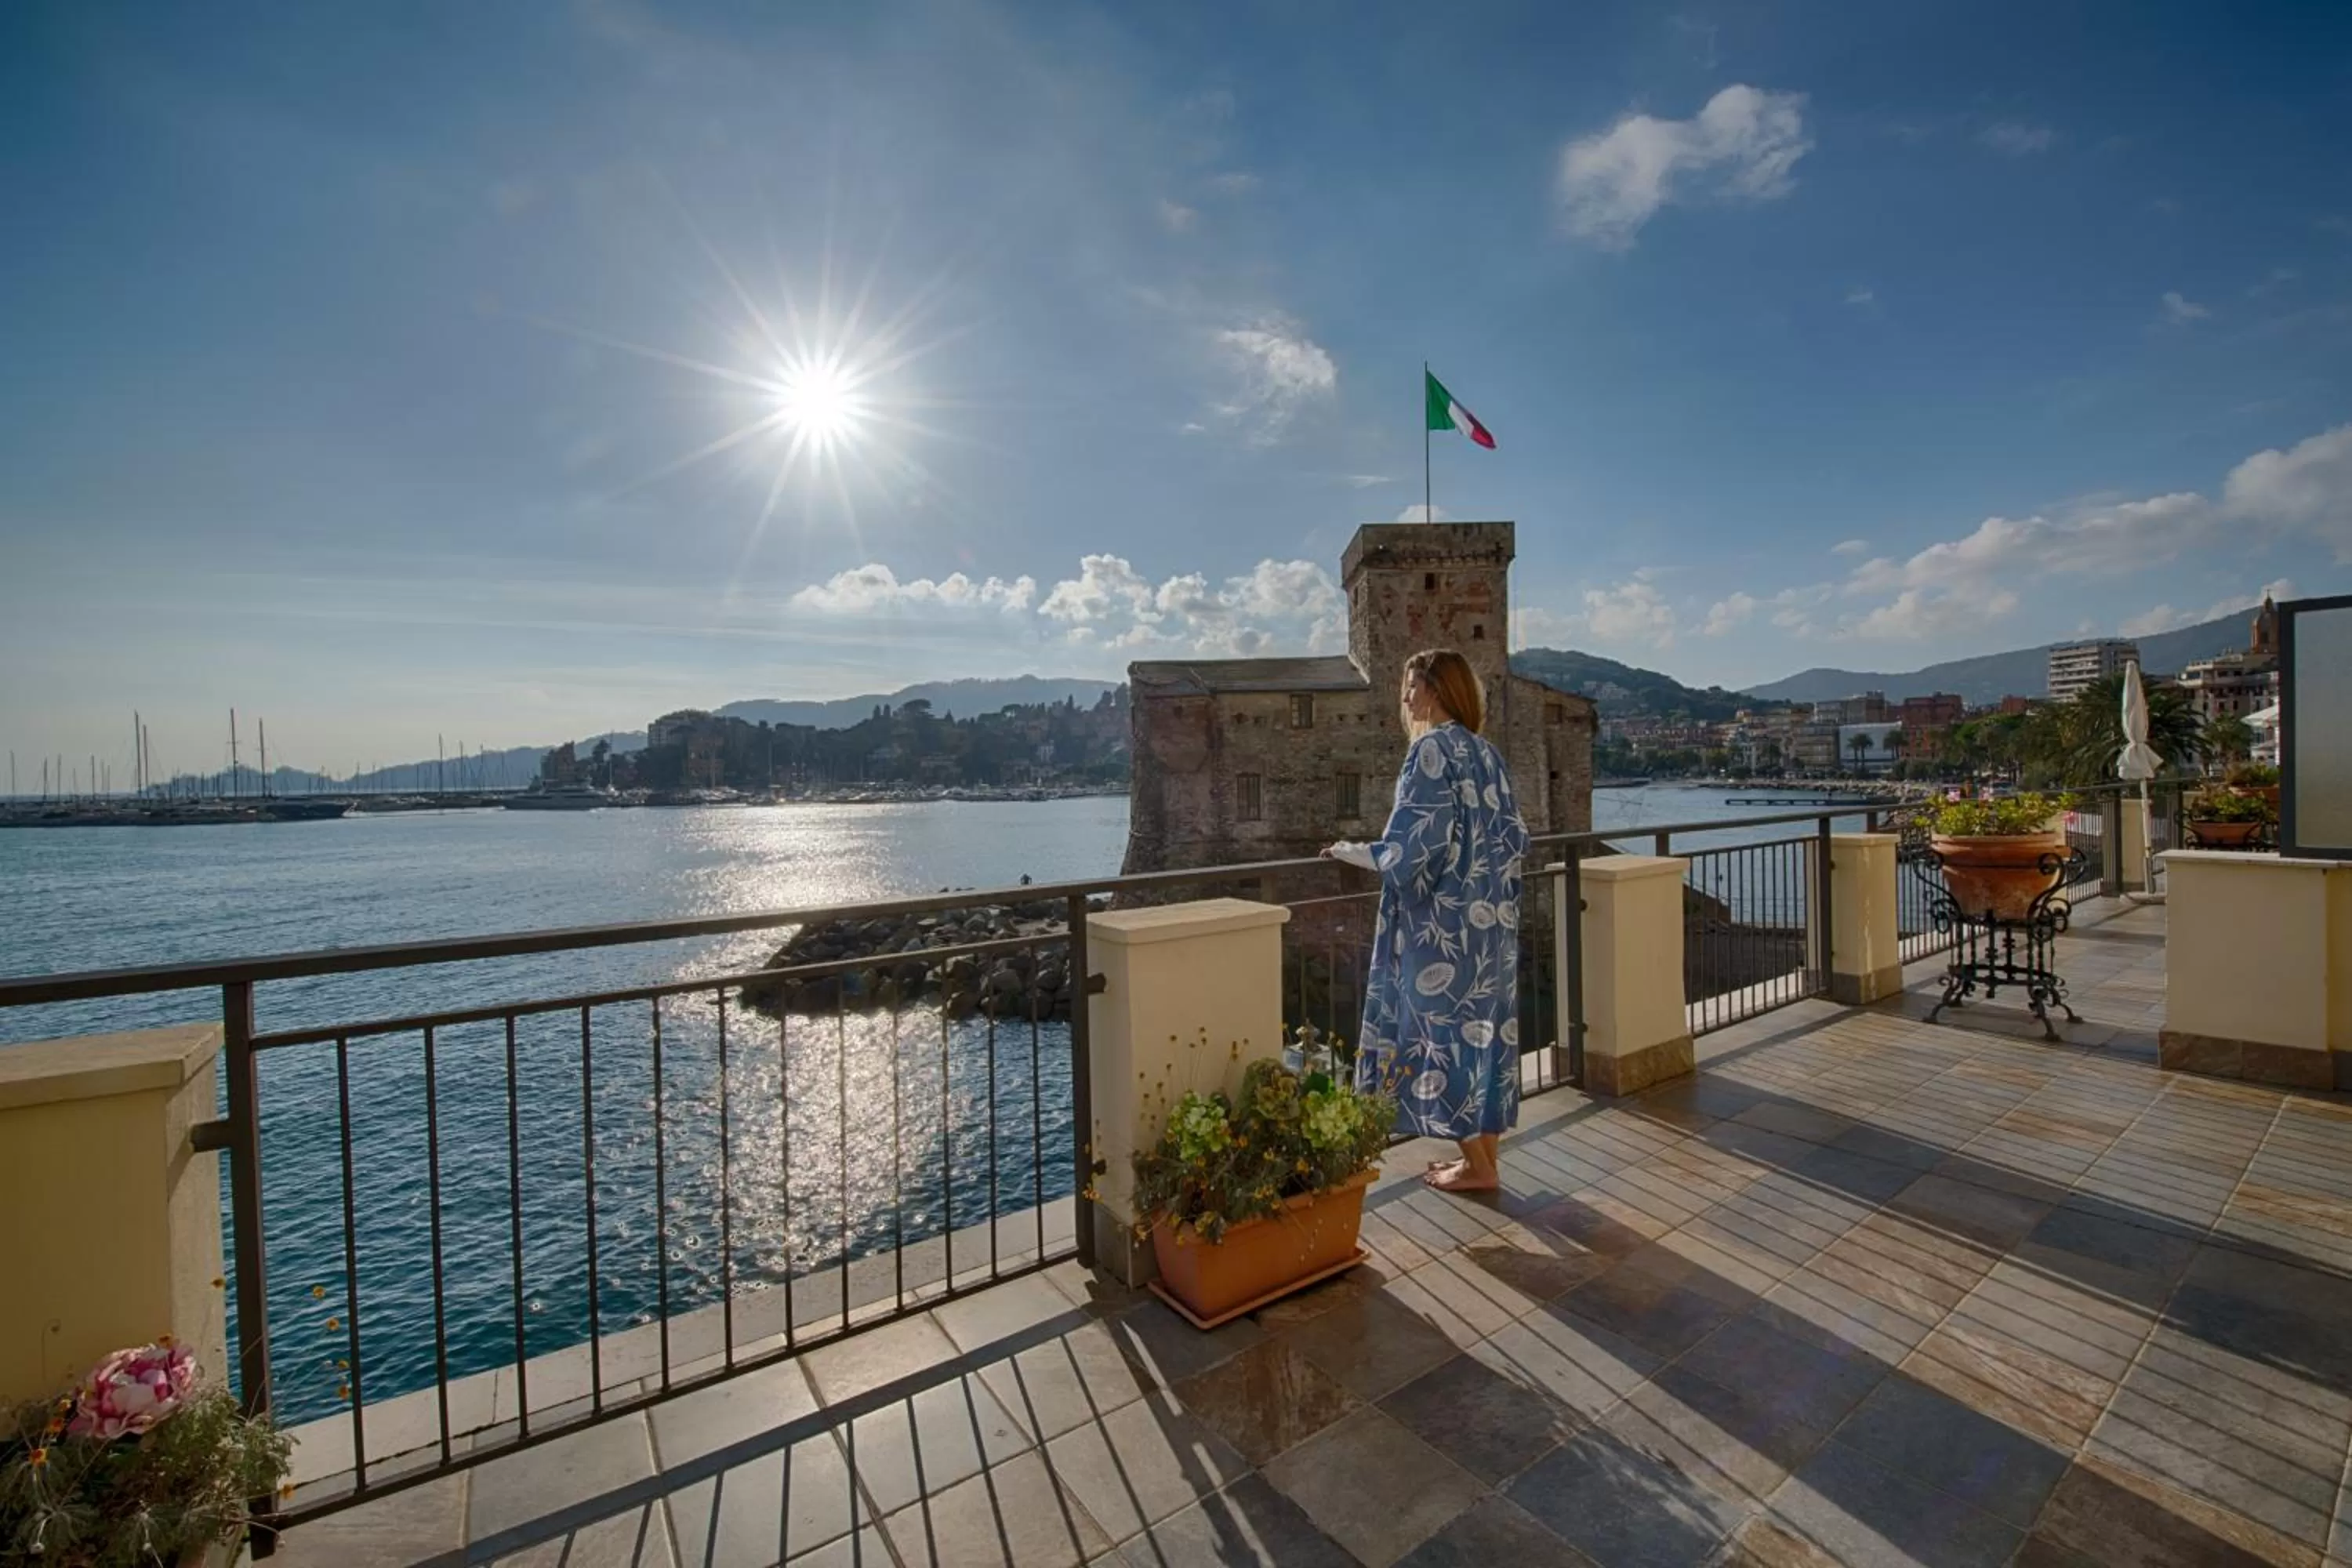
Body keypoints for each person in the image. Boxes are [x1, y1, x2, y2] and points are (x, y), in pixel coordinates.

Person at [1325, 649, 1530, 1192]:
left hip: (1446, 931)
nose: (1406, 697)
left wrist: (1354, 852)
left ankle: (1479, 1167)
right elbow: (1515, 840)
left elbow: (1414, 848)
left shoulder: (1430, 751)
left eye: (1412, 686)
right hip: (1492, 927)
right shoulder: (1488, 755)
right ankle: (1482, 1162)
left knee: (1437, 1036)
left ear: (1436, 690)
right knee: (1482, 1037)